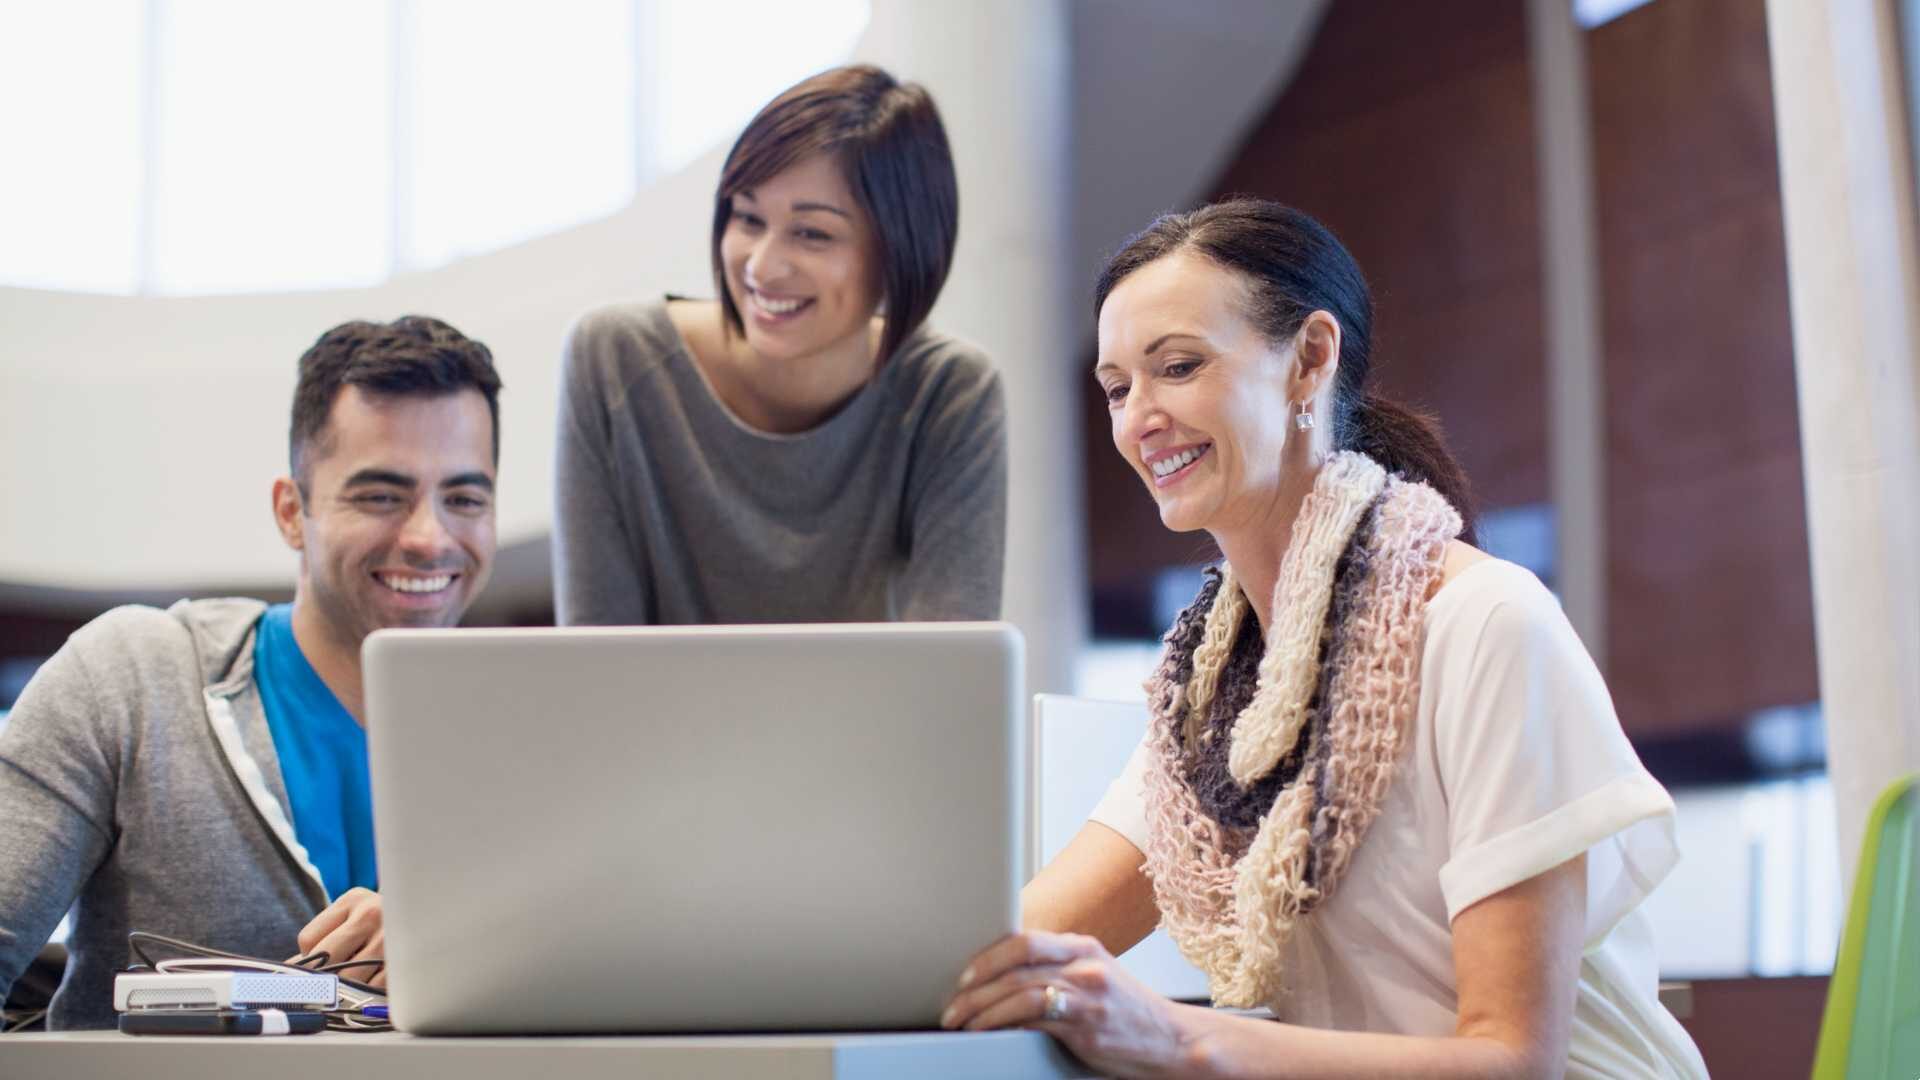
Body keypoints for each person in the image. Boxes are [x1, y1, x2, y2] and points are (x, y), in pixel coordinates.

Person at [942, 200, 1707, 1078]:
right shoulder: (1210, 694)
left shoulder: (1488, 623)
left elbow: (1512, 1061)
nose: (1139, 419)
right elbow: (1022, 938)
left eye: (1178, 367)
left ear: (1310, 359)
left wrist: (1173, 1036)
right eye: (1117, 388)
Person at [0, 317, 503, 1029]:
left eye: (465, 499)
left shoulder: (533, 736)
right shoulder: (132, 681)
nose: (429, 537)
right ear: (292, 512)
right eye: (382, 496)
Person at [553, 64, 1006, 626]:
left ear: (902, 252)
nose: (762, 266)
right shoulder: (612, 358)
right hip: (650, 716)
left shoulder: (948, 391)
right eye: (747, 218)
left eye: (813, 233)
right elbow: (595, 655)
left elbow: (953, 665)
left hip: (866, 717)